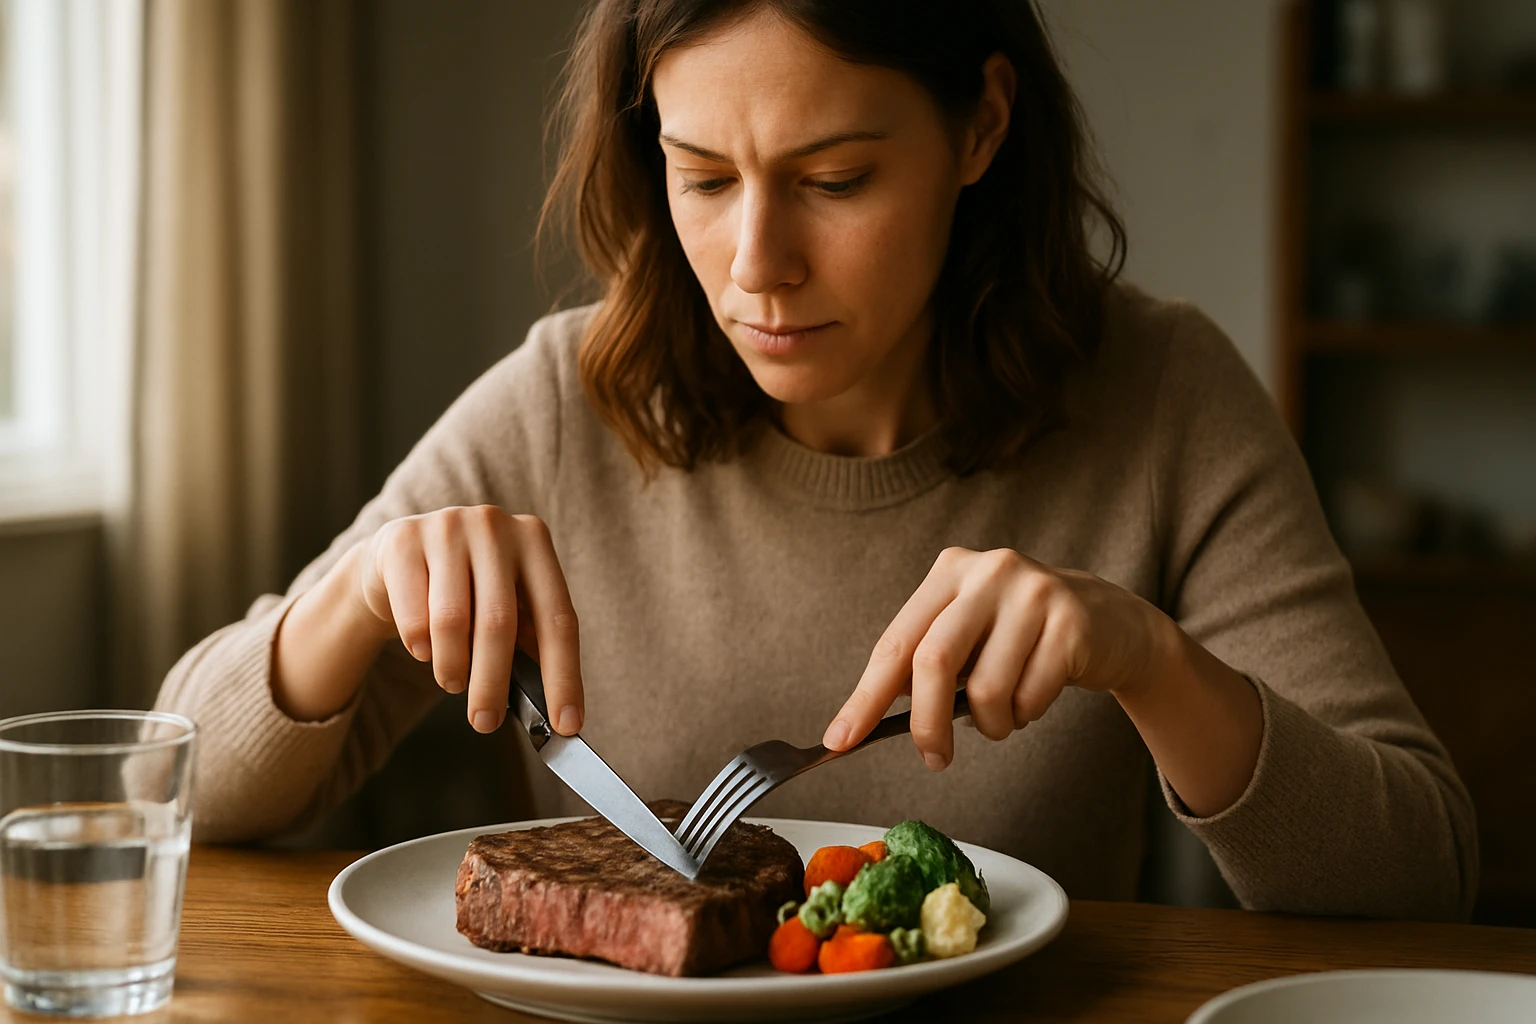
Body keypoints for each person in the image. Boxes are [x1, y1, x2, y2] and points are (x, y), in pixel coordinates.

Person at [154, 0, 1476, 921]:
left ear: (980, 128)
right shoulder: (565, 395)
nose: (756, 267)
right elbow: (181, 789)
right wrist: (356, 596)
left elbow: (1421, 871)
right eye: (704, 177)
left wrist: (1145, 657)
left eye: (836, 179)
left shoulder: (1165, 395)